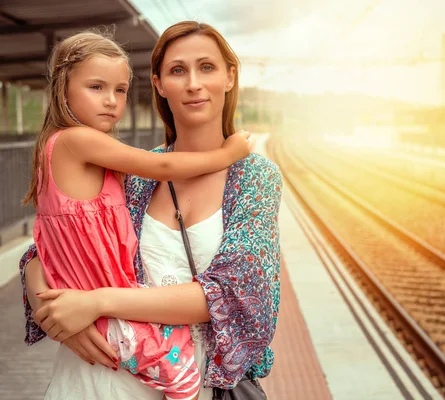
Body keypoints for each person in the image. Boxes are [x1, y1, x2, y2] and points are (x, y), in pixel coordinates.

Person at [20, 21, 281, 400]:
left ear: (229, 76)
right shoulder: (136, 171)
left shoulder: (255, 177)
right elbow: (55, 248)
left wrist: (95, 303)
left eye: (206, 67)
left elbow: (234, 291)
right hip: (95, 379)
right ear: (158, 83)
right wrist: (59, 316)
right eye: (178, 70)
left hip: (192, 383)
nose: (193, 83)